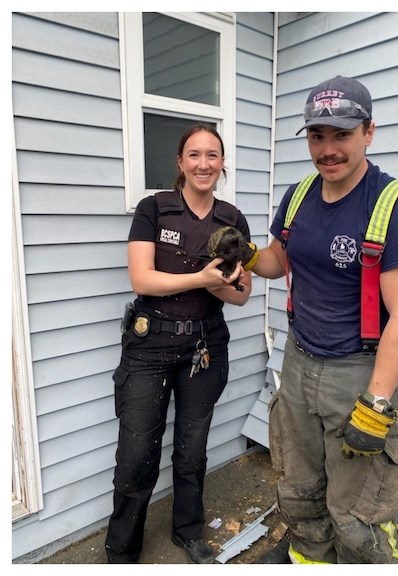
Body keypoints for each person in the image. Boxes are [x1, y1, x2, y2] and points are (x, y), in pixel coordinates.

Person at [249, 75, 398, 564]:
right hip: (298, 360)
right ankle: (309, 558)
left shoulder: (397, 208)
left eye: (341, 134)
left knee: (355, 511)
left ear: (369, 132)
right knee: (299, 488)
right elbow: (278, 260)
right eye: (317, 136)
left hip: (360, 373)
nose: (328, 149)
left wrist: (376, 403)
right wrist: (245, 255)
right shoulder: (299, 195)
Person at [105, 124, 254, 564]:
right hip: (149, 347)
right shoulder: (155, 209)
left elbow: (242, 295)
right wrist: (202, 277)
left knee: (192, 449)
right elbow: (141, 278)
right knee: (136, 455)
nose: (203, 164)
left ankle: (188, 530)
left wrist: (221, 284)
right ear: (180, 163)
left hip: (204, 347)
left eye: (212, 155)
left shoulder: (232, 220)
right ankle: (122, 549)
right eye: (194, 155)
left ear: (222, 163)